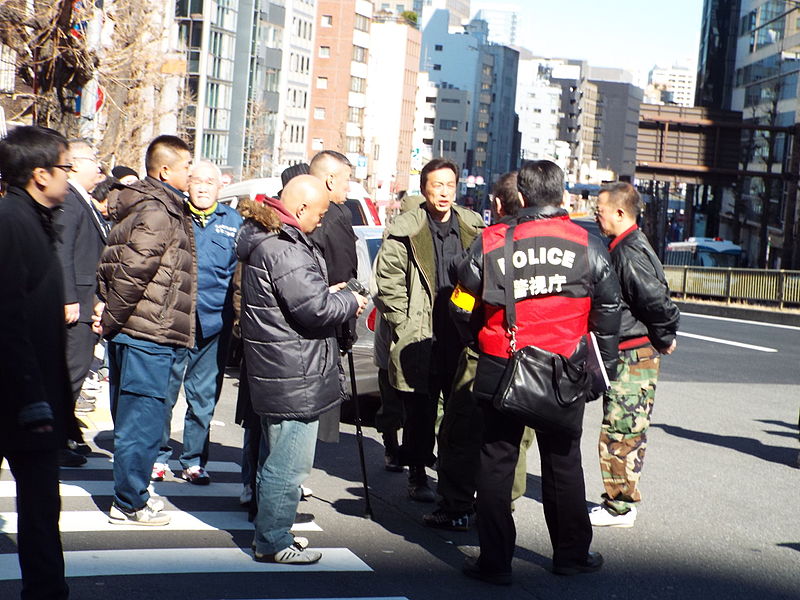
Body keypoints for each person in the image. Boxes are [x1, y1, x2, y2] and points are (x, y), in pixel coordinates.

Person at [454, 160, 621, 584]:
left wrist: (478, 338)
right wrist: (604, 368)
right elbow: (608, 312)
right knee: (563, 462)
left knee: (495, 462)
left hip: (500, 364)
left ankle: (495, 562)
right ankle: (570, 555)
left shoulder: (490, 242)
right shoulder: (588, 244)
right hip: (564, 369)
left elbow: (460, 302)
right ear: (562, 198)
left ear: (522, 197)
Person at [236, 174, 367, 564]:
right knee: (287, 465)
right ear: (300, 208)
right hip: (293, 370)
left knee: (274, 458)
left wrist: (330, 296)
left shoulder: (272, 241)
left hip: (284, 366)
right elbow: (315, 309)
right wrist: (349, 303)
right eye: (321, 213)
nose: (322, 221)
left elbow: (301, 299)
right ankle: (273, 540)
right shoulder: (284, 248)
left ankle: (270, 531)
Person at [96, 134, 196, 526]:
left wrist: (110, 316)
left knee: (134, 420)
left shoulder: (150, 205)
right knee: (142, 422)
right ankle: (130, 502)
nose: (191, 173)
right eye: (187, 166)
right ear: (165, 169)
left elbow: (114, 265)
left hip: (138, 330)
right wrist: (110, 319)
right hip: (146, 333)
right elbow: (133, 271)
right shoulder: (158, 210)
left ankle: (130, 494)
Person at [375, 158, 484, 501]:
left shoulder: (471, 226)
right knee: (419, 411)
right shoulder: (405, 228)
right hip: (420, 333)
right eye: (437, 185)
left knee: (459, 411)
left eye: (450, 185)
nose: (444, 192)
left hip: (460, 332)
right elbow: (388, 279)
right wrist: (403, 321)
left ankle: (452, 479)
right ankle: (418, 475)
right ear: (424, 188)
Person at [0, 125, 75, 599]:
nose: (70, 177)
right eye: (65, 167)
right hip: (18, 398)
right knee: (40, 509)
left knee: (42, 509)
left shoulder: (33, 220)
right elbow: (7, 317)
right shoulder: (10, 221)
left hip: (32, 397)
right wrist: (33, 398)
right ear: (40, 175)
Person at [423, 171, 522, 530]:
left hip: (486, 349)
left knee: (461, 429)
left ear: (497, 204)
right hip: (534, 355)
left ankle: (456, 505)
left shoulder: (490, 241)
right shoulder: (560, 241)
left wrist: (470, 336)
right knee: (514, 436)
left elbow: (460, 303)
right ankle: (503, 503)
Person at [590, 181, 679, 527]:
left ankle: (619, 507)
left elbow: (657, 302)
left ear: (620, 212)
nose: (597, 217)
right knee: (625, 429)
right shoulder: (626, 245)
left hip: (633, 354)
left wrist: (664, 334)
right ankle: (619, 502)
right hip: (631, 351)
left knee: (622, 430)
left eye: (600, 211)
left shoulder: (628, 251)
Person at [153, 160, 242, 484]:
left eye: (209, 182)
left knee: (203, 398)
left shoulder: (234, 223)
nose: (203, 187)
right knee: (164, 393)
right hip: (173, 321)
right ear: (187, 184)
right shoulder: (174, 216)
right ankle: (159, 457)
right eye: (197, 181)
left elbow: (240, 276)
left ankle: (193, 460)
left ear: (220, 186)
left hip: (214, 324)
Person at [53, 138, 109, 467]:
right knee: (70, 373)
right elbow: (63, 252)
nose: (99, 168)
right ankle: (57, 440)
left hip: (87, 300)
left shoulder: (81, 199)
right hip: (76, 303)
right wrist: (69, 298)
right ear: (75, 163)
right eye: (93, 161)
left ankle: (65, 435)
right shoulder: (71, 200)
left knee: (73, 371)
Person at [309, 151, 358, 444]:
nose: (347, 188)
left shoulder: (289, 205)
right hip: (323, 320)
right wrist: (347, 329)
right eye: (345, 180)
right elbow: (343, 274)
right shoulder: (334, 215)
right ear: (329, 180)